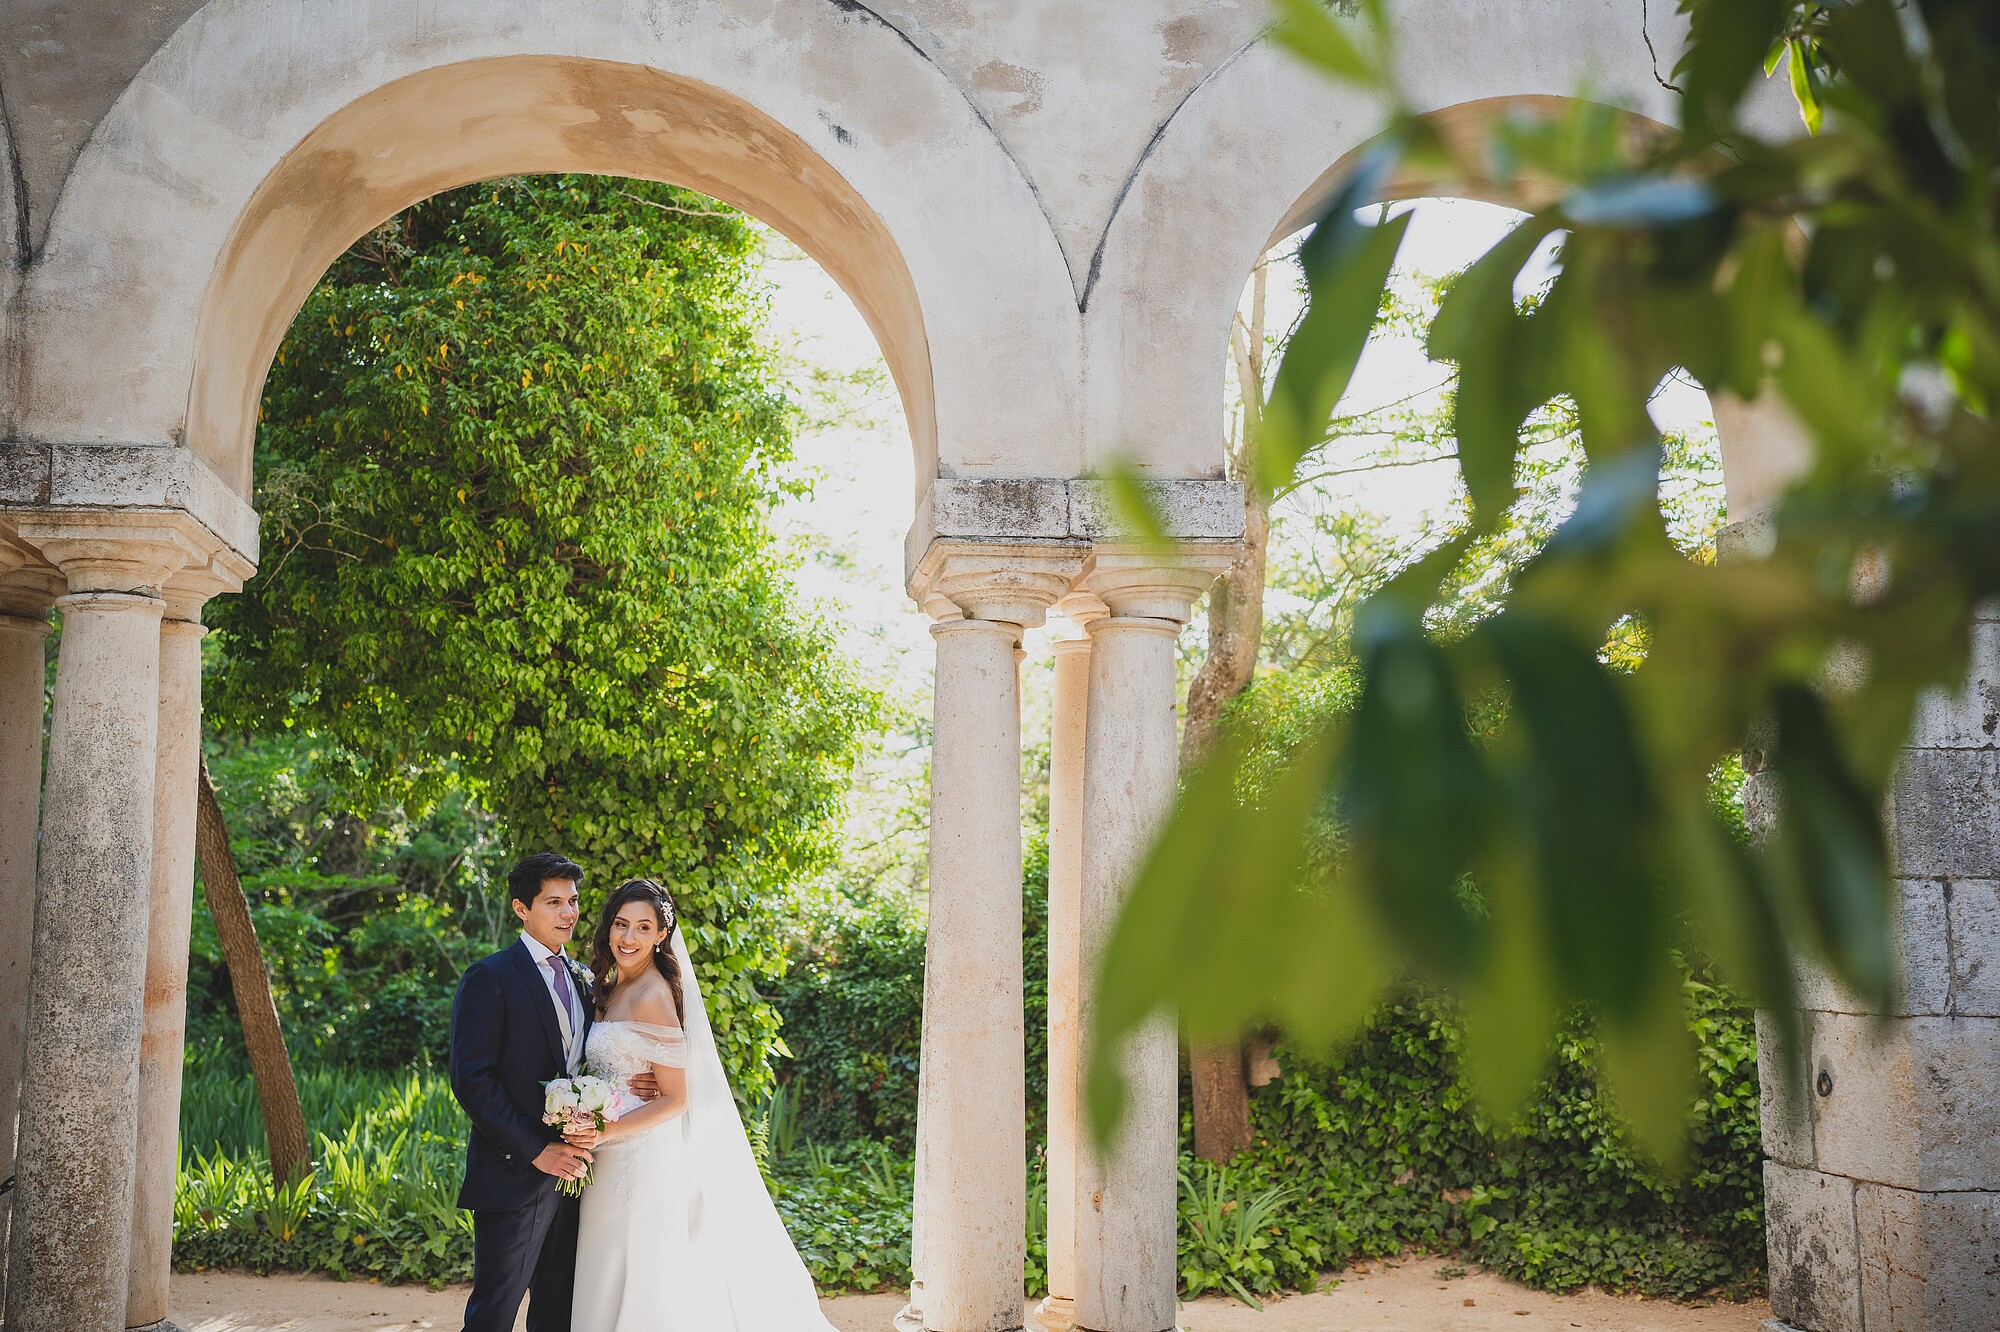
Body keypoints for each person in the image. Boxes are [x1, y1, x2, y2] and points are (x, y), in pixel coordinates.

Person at [563, 878, 837, 1331]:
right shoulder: (606, 988)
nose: (628, 938)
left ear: (660, 936)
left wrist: (604, 1131)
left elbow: (676, 1098)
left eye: (643, 928)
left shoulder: (652, 995)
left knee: (637, 1263)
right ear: (608, 929)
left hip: (638, 1152)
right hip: (603, 1150)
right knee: (605, 1258)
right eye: (621, 925)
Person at [448, 852, 658, 1332]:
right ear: (522, 908)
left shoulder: (587, 978)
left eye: (574, 901)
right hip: (514, 1175)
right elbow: (471, 1080)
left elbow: (596, 1060)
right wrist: (536, 1150)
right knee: (493, 1314)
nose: (569, 913)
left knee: (559, 1313)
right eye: (554, 902)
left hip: (581, 1177)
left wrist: (634, 1085)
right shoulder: (491, 977)